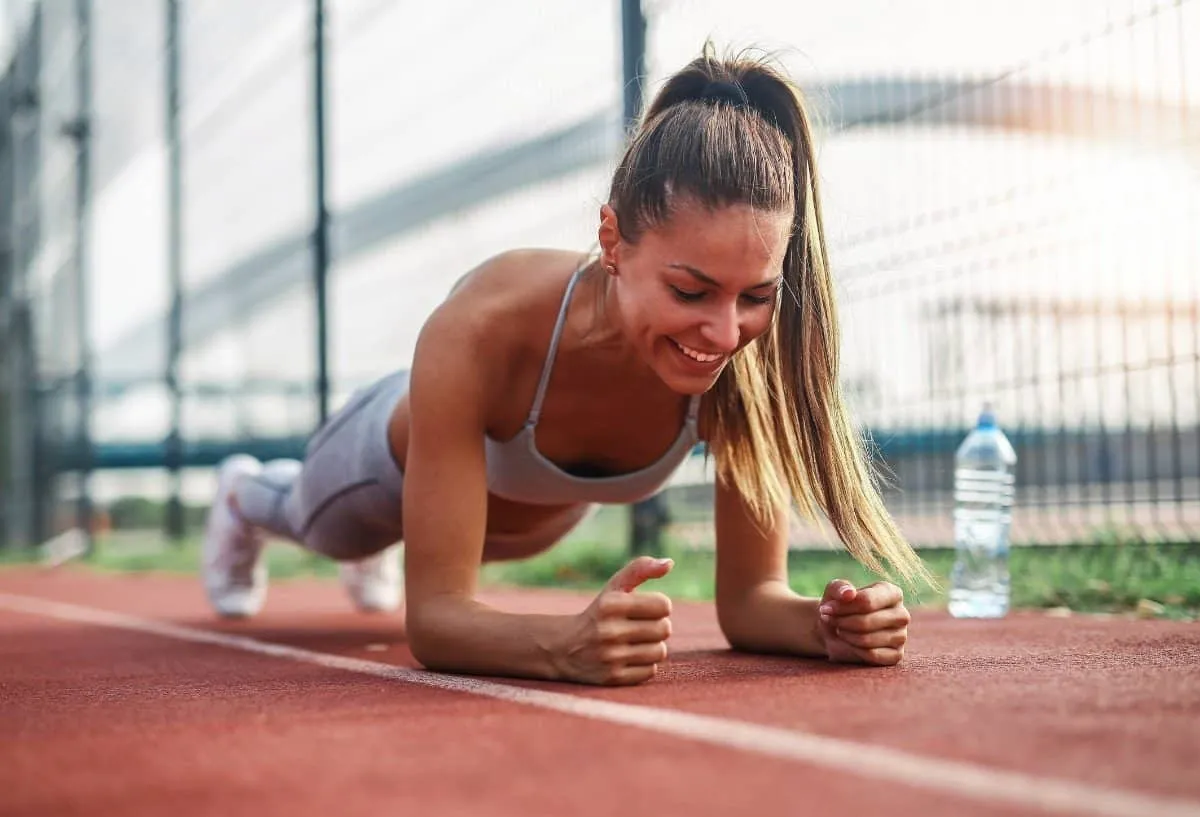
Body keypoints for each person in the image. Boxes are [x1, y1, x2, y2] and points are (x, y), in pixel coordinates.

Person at [201, 46, 933, 686]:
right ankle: (242, 496)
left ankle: (393, 544)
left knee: (444, 546)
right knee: (319, 524)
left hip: (523, 518)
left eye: (757, 295)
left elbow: (750, 602)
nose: (723, 330)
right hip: (379, 472)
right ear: (613, 241)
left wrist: (825, 625)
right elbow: (436, 622)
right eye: (689, 290)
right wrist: (562, 644)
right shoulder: (481, 328)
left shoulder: (744, 365)